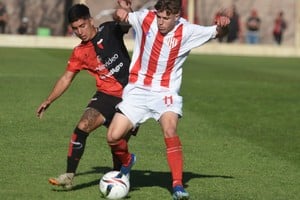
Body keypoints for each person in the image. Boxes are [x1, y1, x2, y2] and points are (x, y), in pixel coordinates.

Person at [107, 0, 230, 199]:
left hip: (165, 93)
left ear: (176, 17)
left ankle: (178, 186)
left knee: (170, 130)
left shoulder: (187, 31)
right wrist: (119, 13)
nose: (161, 22)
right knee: (113, 137)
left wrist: (224, 26)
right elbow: (122, 15)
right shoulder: (145, 18)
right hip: (137, 90)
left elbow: (217, 32)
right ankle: (128, 160)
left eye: (166, 18)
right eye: (159, 17)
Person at [36, 3, 137, 189]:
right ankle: (68, 175)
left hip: (132, 95)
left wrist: (125, 9)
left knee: (116, 142)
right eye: (75, 28)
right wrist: (49, 100)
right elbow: (67, 78)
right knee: (82, 127)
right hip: (106, 94)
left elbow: (127, 24)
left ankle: (120, 178)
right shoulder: (79, 52)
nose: (80, 31)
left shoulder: (109, 30)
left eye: (83, 26)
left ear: (91, 20)